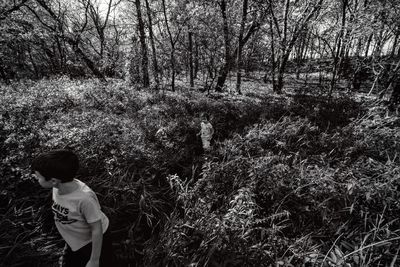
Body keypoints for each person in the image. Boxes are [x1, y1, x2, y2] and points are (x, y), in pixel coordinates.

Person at [31, 149, 114, 267]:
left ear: (53, 180)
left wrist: (94, 260)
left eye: (38, 177)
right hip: (74, 239)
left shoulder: (84, 199)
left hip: (93, 241)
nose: (35, 177)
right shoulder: (59, 186)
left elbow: (97, 229)